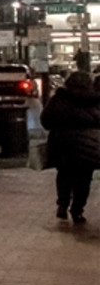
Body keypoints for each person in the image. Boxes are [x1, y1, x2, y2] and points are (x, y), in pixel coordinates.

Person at [40, 70, 100, 224]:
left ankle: (62, 204)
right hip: (88, 146)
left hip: (62, 144)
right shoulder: (94, 100)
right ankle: (77, 210)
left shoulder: (58, 99)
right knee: (84, 179)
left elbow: (46, 120)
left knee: (64, 175)